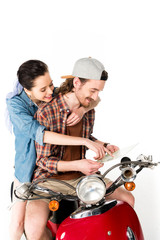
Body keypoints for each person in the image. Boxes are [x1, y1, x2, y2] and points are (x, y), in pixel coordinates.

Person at [24, 57, 135, 240]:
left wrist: (104, 145)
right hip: (48, 180)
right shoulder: (46, 112)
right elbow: (44, 161)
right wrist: (79, 164)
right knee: (33, 230)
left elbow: (85, 138)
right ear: (76, 83)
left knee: (127, 199)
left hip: (82, 179)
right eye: (93, 90)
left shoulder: (88, 109)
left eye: (99, 91)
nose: (95, 97)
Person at [6, 59, 108, 240]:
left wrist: (82, 111)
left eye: (51, 84)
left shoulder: (51, 95)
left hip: (58, 172)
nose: (50, 91)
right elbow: (43, 135)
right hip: (27, 170)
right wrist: (84, 141)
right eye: (43, 89)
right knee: (19, 225)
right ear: (28, 91)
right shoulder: (16, 105)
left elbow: (89, 98)